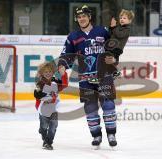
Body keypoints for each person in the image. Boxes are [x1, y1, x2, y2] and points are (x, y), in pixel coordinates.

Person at [58, 5, 118, 148]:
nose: (82, 19)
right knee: (90, 108)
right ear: (76, 19)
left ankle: (111, 134)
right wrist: (62, 65)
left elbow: (116, 47)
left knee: (108, 104)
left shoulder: (102, 31)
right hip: (85, 78)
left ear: (89, 17)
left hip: (104, 75)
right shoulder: (73, 36)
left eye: (84, 16)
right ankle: (96, 136)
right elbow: (66, 55)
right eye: (79, 17)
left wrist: (114, 58)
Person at [88, 9, 134, 84]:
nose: (122, 19)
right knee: (105, 61)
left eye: (124, 18)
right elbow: (111, 35)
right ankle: (114, 73)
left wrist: (114, 27)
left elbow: (119, 35)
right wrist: (111, 27)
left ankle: (102, 77)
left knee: (104, 60)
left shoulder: (127, 29)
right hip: (111, 48)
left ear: (130, 20)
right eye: (121, 18)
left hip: (116, 49)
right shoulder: (118, 27)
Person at [34, 62, 68, 150]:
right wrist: (47, 97)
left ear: (52, 72)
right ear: (41, 73)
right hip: (43, 109)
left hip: (53, 109)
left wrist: (63, 74)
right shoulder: (40, 83)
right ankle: (42, 130)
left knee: (53, 126)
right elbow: (37, 95)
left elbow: (64, 85)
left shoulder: (56, 81)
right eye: (45, 72)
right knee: (44, 127)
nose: (48, 73)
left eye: (49, 71)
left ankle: (48, 143)